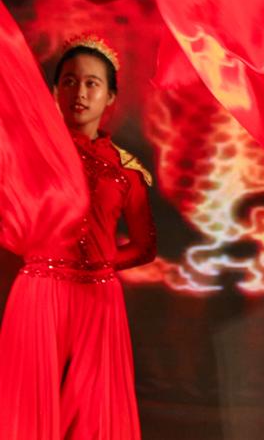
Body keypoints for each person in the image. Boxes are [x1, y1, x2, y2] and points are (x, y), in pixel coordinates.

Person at [0, 34, 156, 440]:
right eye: (69, 82)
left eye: (92, 83)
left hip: (98, 301)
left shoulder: (127, 171)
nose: (80, 93)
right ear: (54, 92)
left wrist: (98, 265)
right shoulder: (30, 155)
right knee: (31, 410)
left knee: (92, 418)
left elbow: (144, 246)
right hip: (40, 292)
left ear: (110, 97)